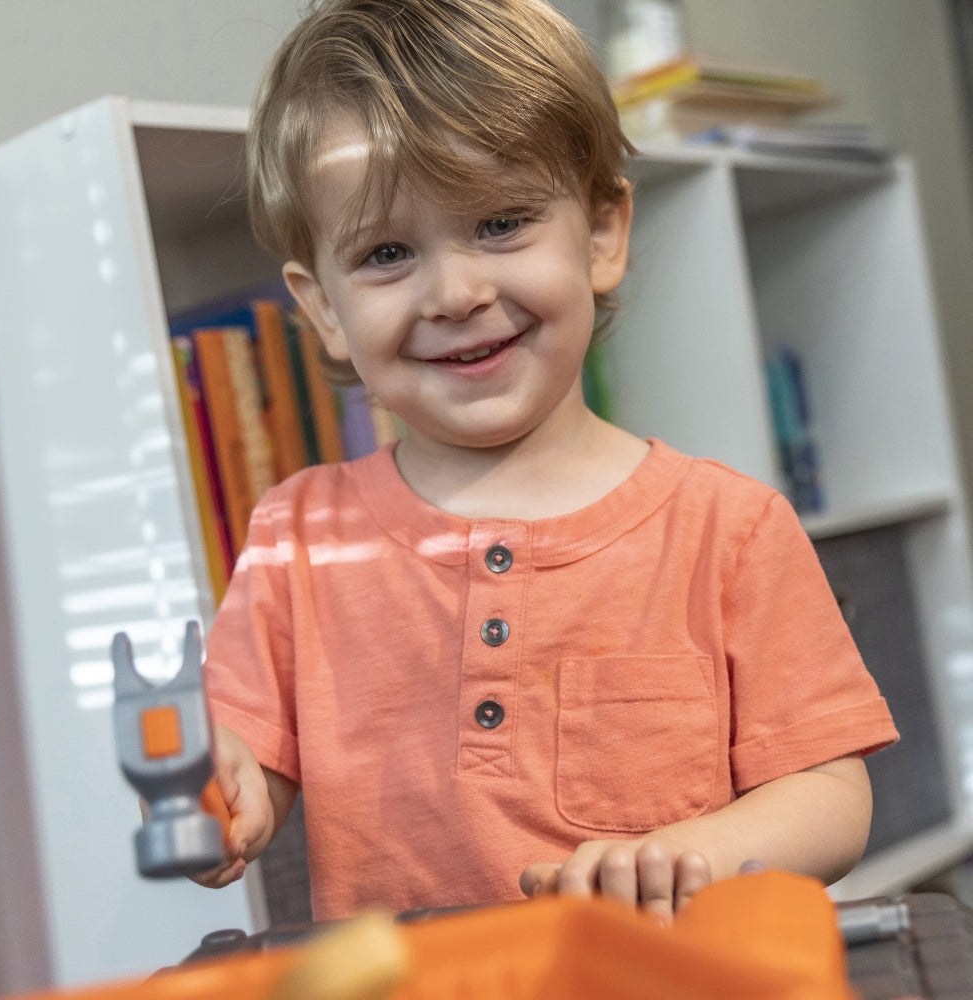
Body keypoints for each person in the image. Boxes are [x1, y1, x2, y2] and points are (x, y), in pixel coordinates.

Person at [198, 0, 898, 925]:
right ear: (323, 306)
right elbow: (247, 751)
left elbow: (830, 796)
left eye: (500, 224)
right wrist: (219, 792)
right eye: (388, 253)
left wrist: (695, 854)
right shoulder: (297, 536)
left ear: (603, 234)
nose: (456, 292)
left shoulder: (731, 527)